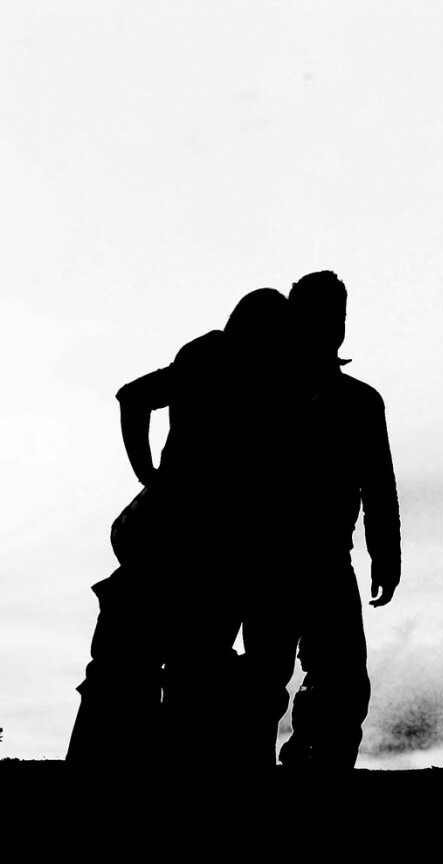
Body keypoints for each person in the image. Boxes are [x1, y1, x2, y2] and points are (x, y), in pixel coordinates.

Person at [67, 288, 292, 768]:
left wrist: (148, 473)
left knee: (130, 672)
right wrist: (147, 473)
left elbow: (133, 397)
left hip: (173, 537)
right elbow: (132, 397)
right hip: (204, 548)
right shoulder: (234, 364)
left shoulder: (211, 358)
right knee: (183, 674)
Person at [242, 270, 402, 768]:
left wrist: (386, 553)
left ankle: (301, 761)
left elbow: (379, 485)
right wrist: (385, 553)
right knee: (279, 679)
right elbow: (378, 485)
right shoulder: (269, 391)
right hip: (279, 558)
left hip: (312, 558)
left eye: (340, 315)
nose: (335, 325)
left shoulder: (271, 391)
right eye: (325, 315)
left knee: (330, 681)